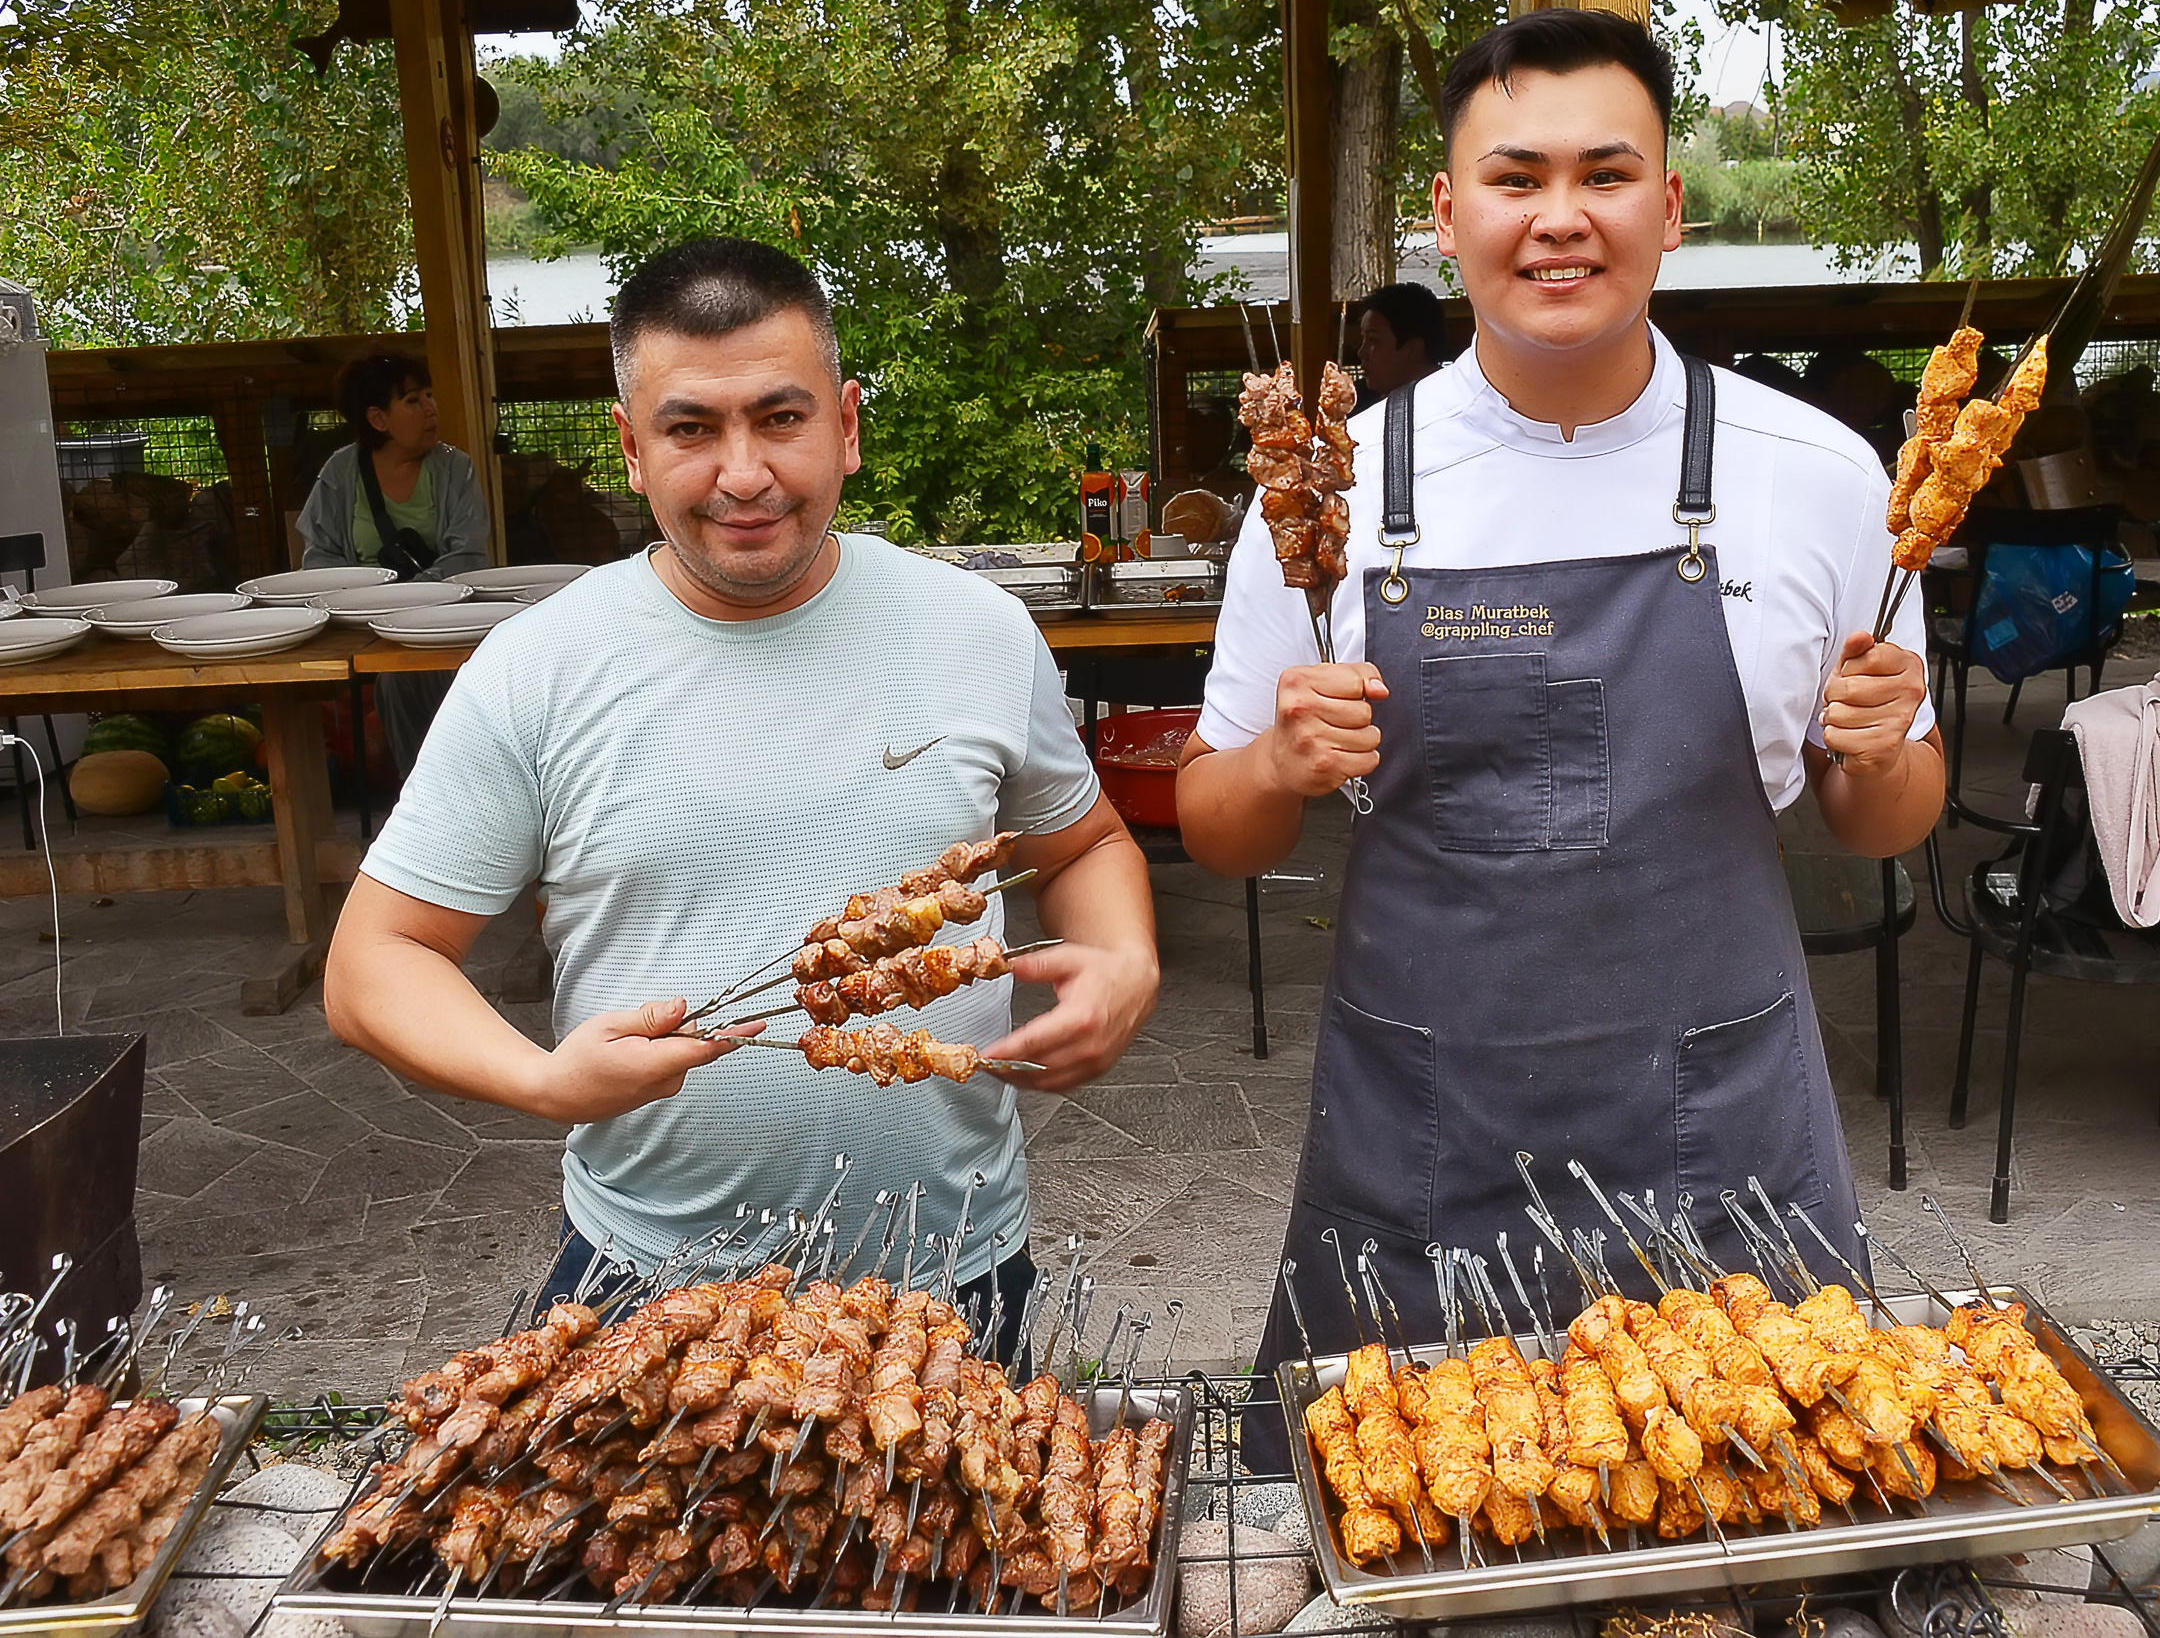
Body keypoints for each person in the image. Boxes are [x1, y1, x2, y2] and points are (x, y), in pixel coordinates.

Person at [1175, 10, 1944, 1420]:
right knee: (1414, 1497)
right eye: (1516, 177)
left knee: (1758, 1485)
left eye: (1606, 174)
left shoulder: (1820, 476)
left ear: (1670, 206)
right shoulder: (1328, 494)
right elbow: (1210, 821)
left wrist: (1884, 751)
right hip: (1426, 1138)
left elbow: (1885, 813)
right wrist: (1282, 762)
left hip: (1726, 1136)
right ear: (1448, 212)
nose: (1560, 218)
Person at [324, 237, 1162, 1339]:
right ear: (629, 447)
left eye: (780, 417)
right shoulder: (538, 668)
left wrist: (1127, 960)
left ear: (846, 425)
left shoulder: (977, 631)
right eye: (690, 428)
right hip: (643, 1283)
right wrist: (542, 1081)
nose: (743, 473)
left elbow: (1086, 844)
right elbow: (369, 963)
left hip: (953, 1274)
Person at [300, 351, 495, 775]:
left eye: (429, 395)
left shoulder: (453, 468)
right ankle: (420, 797)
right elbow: (318, 559)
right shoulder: (340, 471)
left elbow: (469, 555)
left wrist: (414, 597)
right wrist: (367, 599)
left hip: (442, 620)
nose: (430, 408)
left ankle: (443, 793)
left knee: (405, 677)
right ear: (378, 419)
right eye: (411, 400)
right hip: (363, 623)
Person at [1353, 280, 1449, 407]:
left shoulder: (1450, 404)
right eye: (1363, 339)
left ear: (1413, 350)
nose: (1362, 353)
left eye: (1373, 340)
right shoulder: (1355, 402)